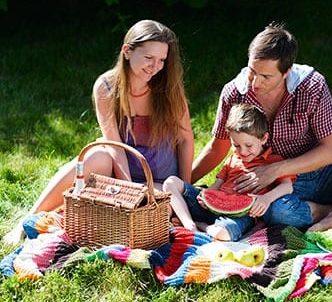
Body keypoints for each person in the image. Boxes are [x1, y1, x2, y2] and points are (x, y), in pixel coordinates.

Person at [191, 22, 332, 232]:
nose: (256, 82)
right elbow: (217, 147)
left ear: (286, 72)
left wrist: (274, 170)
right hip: (282, 189)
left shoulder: (312, 86)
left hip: (323, 174)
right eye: (252, 71)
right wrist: (184, 181)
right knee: (278, 212)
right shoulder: (234, 93)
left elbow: (330, 152)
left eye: (266, 76)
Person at [3, 20, 194, 245]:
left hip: (159, 179)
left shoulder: (168, 88)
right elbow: (114, 145)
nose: (155, 67)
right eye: (148, 58)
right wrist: (131, 192)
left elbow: (185, 139)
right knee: (96, 155)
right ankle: (27, 220)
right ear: (127, 51)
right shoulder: (106, 87)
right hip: (122, 170)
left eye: (162, 60)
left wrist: (185, 188)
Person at [163, 103, 296, 241]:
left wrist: (266, 199)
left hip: (243, 215)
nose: (243, 151)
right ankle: (189, 225)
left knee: (223, 234)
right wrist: (206, 196)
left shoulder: (274, 161)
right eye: (236, 145)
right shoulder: (233, 158)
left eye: (248, 145)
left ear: (264, 138)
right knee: (171, 182)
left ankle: (201, 226)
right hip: (211, 206)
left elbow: (287, 186)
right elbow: (217, 184)